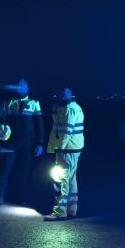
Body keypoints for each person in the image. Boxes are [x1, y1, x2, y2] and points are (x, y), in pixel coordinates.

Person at [0, 78, 44, 208]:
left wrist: (40, 143)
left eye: (22, 86)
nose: (19, 88)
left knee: (24, 171)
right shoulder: (9, 102)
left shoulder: (34, 102)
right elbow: (0, 119)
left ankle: (20, 199)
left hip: (27, 142)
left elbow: (39, 124)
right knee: (4, 170)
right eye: (18, 86)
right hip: (10, 141)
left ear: (27, 88)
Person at [45, 87, 84, 221]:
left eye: (59, 96)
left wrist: (60, 149)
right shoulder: (73, 107)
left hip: (67, 149)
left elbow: (66, 131)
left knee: (62, 179)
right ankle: (72, 208)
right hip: (73, 148)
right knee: (71, 178)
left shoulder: (69, 109)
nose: (57, 98)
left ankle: (60, 211)